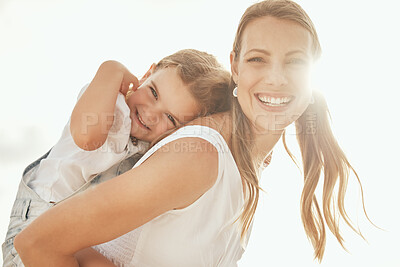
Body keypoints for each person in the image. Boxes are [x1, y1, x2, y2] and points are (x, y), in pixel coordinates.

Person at [13, 0, 371, 266]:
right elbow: (36, 244)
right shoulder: (200, 155)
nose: (276, 77)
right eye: (258, 59)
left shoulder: (245, 164)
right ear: (235, 66)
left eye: (295, 61)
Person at [2, 49, 232, 266]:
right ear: (147, 73)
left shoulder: (156, 151)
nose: (151, 113)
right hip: (33, 226)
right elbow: (87, 137)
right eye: (153, 93)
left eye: (170, 118)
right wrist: (110, 69)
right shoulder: (111, 103)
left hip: (74, 241)